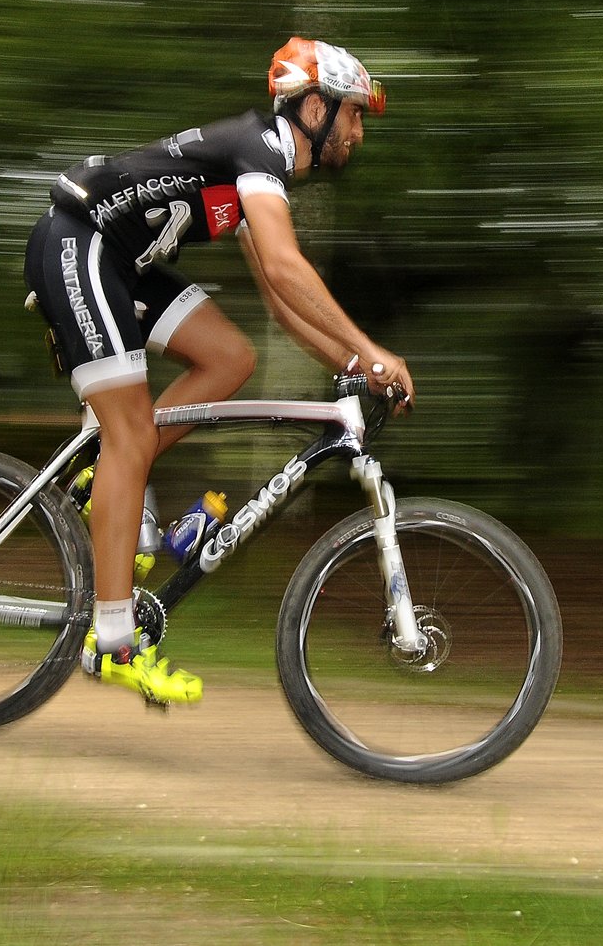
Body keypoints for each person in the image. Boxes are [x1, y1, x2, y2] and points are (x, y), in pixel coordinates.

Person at [22, 37, 415, 706]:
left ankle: (103, 476)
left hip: (121, 263)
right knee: (131, 438)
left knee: (232, 356)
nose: (358, 132)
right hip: (78, 242)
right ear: (314, 107)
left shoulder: (259, 168)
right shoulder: (260, 150)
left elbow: (284, 304)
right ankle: (113, 642)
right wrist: (373, 349)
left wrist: (353, 365)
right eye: (353, 114)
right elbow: (292, 268)